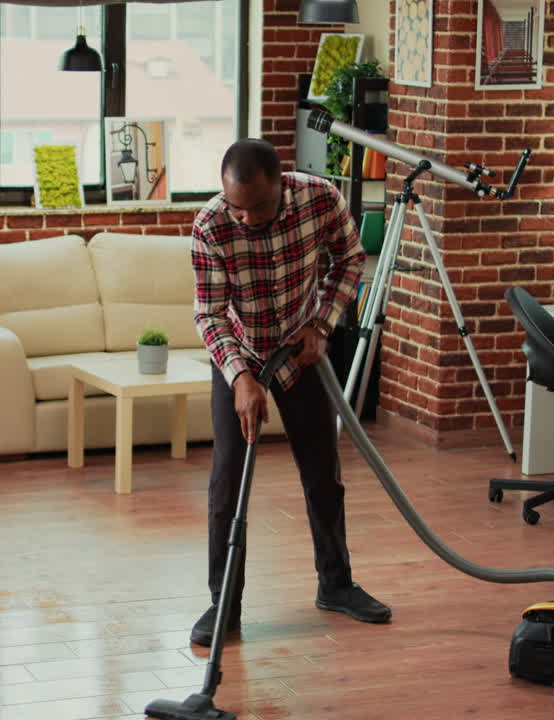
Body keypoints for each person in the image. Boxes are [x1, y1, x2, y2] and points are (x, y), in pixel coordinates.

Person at [189, 138, 391, 646]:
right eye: (238, 206)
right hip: (239, 355)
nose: (248, 218)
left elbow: (350, 259)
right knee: (227, 485)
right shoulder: (210, 226)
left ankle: (336, 585)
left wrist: (321, 326)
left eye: (259, 205)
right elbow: (210, 314)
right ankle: (224, 607)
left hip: (302, 351)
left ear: (282, 184)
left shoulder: (320, 198)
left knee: (324, 473)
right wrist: (240, 378)